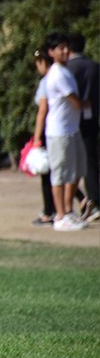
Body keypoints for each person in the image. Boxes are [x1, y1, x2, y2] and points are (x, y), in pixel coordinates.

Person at [35, 34, 88, 232]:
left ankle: (67, 211)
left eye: (66, 47)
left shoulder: (66, 71)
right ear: (51, 52)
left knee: (77, 172)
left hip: (71, 130)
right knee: (59, 175)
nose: (65, 51)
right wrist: (87, 105)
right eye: (60, 48)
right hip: (59, 133)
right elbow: (75, 101)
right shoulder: (56, 74)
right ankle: (59, 216)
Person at [64, 32, 100, 223]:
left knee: (70, 164)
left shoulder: (67, 69)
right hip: (93, 118)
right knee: (91, 160)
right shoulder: (95, 67)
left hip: (71, 121)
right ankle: (94, 198)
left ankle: (85, 200)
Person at [29, 49, 56, 227]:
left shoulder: (47, 81)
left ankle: (49, 211)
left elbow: (42, 112)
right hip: (60, 130)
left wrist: (36, 138)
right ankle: (83, 201)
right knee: (57, 171)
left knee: (47, 172)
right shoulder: (61, 77)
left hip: (49, 132)